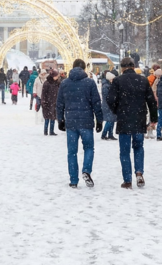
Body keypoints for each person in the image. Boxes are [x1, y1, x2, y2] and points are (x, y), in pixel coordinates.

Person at [107, 57, 158, 189]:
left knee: (124, 151)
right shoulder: (142, 80)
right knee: (138, 147)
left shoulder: (118, 81)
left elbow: (110, 99)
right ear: (133, 66)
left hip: (124, 119)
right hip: (139, 118)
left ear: (122, 68)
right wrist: (153, 117)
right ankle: (139, 172)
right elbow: (151, 101)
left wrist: (117, 110)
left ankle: (127, 179)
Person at [57, 59, 104, 188]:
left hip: (71, 122)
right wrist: (99, 119)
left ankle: (73, 180)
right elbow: (96, 102)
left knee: (72, 152)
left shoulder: (65, 83)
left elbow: (60, 103)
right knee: (88, 148)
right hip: (86, 121)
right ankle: (86, 170)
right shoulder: (90, 83)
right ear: (84, 69)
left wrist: (60, 119)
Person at [40, 69, 60, 136]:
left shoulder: (57, 83)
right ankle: (45, 131)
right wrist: (44, 102)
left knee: (53, 118)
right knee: (47, 118)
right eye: (56, 76)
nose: (57, 77)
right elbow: (43, 94)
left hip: (54, 103)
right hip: (47, 103)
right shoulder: (47, 83)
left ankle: (51, 131)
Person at [100, 70, 118, 141]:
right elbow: (107, 96)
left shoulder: (109, 85)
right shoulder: (106, 86)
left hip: (110, 104)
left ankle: (110, 134)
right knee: (109, 120)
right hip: (107, 105)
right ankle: (104, 134)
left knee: (112, 120)